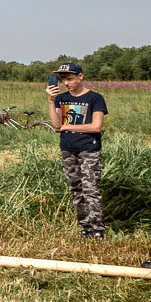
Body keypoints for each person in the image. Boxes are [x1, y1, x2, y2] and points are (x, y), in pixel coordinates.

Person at [47, 62, 108, 239]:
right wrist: (51, 101)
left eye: (70, 78)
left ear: (80, 76)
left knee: (91, 189)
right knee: (76, 189)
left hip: (89, 149)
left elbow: (96, 126)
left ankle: (97, 229)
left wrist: (67, 126)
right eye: (63, 79)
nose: (66, 82)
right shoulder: (61, 99)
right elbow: (57, 125)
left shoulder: (95, 98)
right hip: (68, 149)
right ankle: (85, 228)